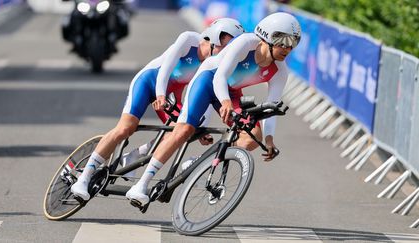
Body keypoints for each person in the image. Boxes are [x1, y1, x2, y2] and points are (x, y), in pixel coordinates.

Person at [127, 12, 301, 205]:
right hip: (208, 80)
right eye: (282, 40)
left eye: (294, 41)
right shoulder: (246, 42)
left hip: (230, 91)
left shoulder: (280, 71)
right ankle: (141, 184)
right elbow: (219, 76)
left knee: (253, 136)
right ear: (266, 36)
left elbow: (271, 109)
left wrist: (269, 140)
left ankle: (198, 162)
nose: (288, 47)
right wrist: (225, 102)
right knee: (184, 130)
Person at [71, 18, 245, 201]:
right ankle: (83, 178)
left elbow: (204, 97)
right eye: (226, 47)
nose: (228, 54)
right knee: (125, 128)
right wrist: (161, 95)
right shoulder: (189, 40)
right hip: (149, 82)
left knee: (180, 132)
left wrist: (202, 128)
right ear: (215, 38)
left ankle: (135, 156)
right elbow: (166, 68)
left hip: (171, 93)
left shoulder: (215, 63)